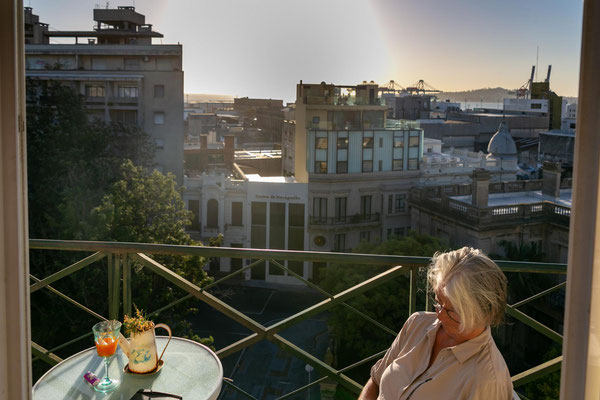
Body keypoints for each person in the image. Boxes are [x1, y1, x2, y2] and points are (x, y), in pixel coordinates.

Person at [359, 247, 513, 400]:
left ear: (482, 312)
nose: (439, 316)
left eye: (452, 312)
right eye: (438, 302)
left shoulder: (487, 379)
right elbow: (375, 381)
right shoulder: (417, 323)